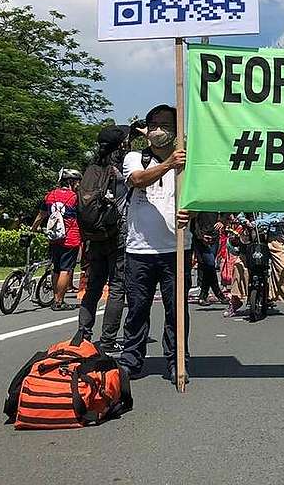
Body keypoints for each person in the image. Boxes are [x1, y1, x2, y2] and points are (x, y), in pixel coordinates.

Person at [119, 104, 190, 385]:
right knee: (137, 308)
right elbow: (136, 180)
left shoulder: (187, 163)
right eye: (154, 127)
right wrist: (168, 164)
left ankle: (177, 360)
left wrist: (192, 213)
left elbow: (197, 198)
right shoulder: (135, 158)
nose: (159, 132)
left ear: (175, 132)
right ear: (146, 132)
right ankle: (131, 360)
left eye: (165, 127)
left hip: (176, 249)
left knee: (176, 311)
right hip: (139, 250)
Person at [77, 124, 137, 352]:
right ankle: (109, 340)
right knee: (117, 287)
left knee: (93, 286)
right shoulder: (120, 169)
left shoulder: (92, 168)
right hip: (117, 231)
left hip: (94, 234)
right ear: (120, 144)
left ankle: (82, 335)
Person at [30, 168, 82, 311]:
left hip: (54, 238)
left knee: (56, 268)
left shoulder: (50, 195)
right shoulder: (75, 197)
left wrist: (32, 231)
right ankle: (59, 301)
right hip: (70, 238)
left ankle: (55, 297)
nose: (78, 185)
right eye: (77, 182)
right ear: (71, 182)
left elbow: (40, 216)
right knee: (66, 269)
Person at [192, 212, 228, 306]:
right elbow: (193, 221)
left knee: (208, 267)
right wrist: (200, 236)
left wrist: (222, 221)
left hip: (214, 236)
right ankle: (217, 293)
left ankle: (203, 295)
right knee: (209, 264)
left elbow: (227, 209)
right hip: (200, 237)